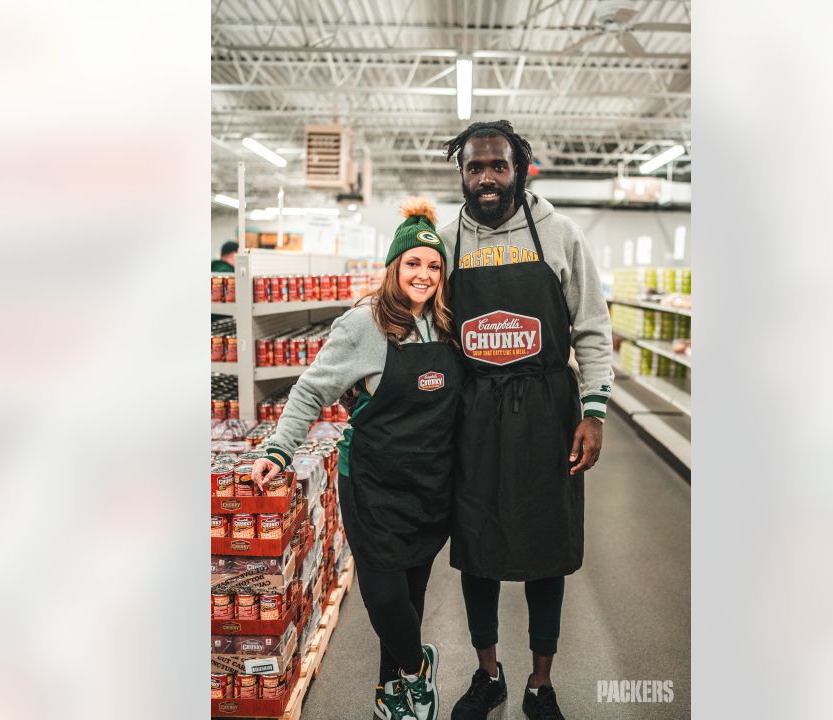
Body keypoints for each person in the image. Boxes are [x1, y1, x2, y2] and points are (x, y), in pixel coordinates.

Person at [252, 198, 461, 720]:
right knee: (385, 595)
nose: (424, 274)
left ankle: (393, 695)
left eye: (434, 265)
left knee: (412, 594)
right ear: (394, 267)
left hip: (429, 483)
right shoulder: (363, 324)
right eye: (413, 263)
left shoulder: (447, 324)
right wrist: (279, 448)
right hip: (373, 482)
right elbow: (308, 390)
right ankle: (418, 667)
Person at [437, 120, 613, 720]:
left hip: (546, 411)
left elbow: (592, 327)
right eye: (475, 168)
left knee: (547, 546)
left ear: (520, 169)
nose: (486, 178)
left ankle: (541, 681)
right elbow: (427, 332)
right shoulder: (446, 240)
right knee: (477, 547)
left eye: (498, 166)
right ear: (462, 175)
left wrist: (594, 412)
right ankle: (488, 673)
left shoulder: (560, 234)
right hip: (475, 414)